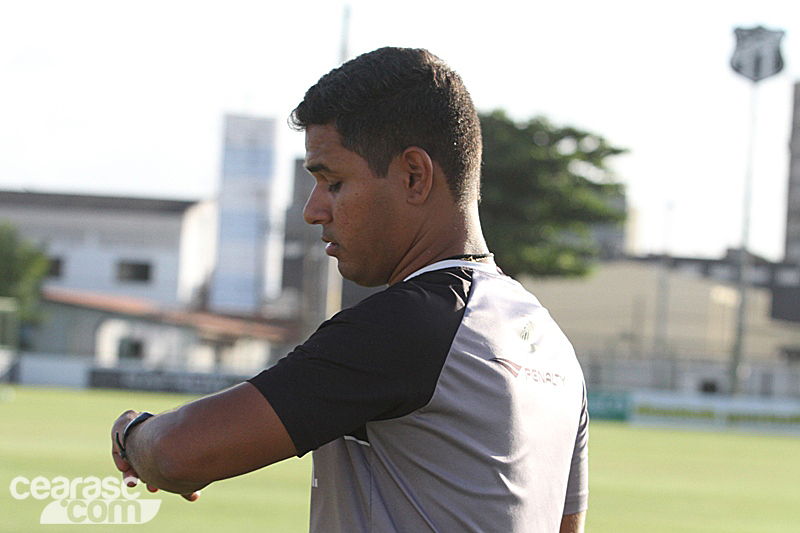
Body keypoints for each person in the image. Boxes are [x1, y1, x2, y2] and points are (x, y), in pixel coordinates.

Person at [110, 47, 589, 533]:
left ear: (414, 176)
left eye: (333, 182)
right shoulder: (552, 344)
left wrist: (132, 433)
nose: (313, 210)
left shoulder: (405, 327)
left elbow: (175, 453)